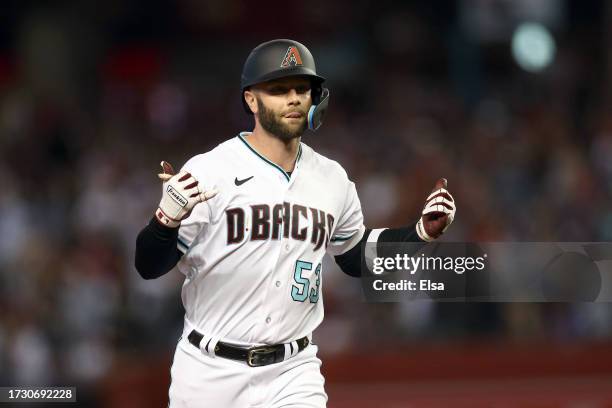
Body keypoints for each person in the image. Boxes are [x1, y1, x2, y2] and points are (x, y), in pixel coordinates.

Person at [135, 38, 456, 408]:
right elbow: (148, 267)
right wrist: (165, 220)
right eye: (278, 89)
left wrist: (419, 234)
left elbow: (354, 257)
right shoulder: (210, 171)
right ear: (251, 100)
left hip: (293, 371)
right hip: (210, 371)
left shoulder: (332, 178)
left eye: (302, 88)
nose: (293, 98)